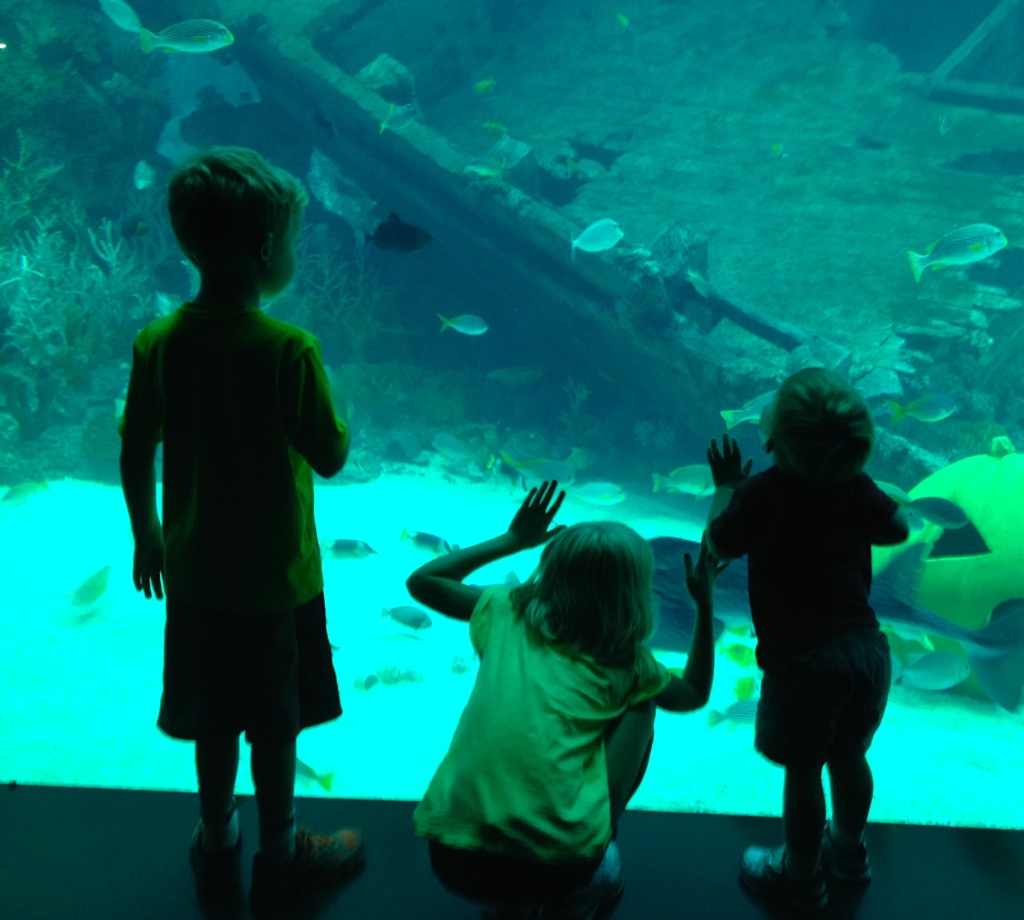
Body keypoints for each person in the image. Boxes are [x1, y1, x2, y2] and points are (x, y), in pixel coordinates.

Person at [119, 147, 365, 912]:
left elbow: (134, 448)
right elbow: (329, 457)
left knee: (214, 716)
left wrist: (147, 534)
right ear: (267, 249)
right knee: (274, 721)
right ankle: (283, 850)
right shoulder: (290, 350)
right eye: (291, 240)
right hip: (275, 581)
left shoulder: (160, 341)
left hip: (193, 576)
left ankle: (217, 836)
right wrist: (338, 406)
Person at [406, 480, 723, 920]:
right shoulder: (632, 664)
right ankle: (590, 867)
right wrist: (704, 607)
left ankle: (508, 904)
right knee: (644, 699)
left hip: (453, 858)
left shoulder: (505, 611)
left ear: (549, 571)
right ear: (634, 595)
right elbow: (692, 694)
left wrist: (513, 539)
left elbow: (424, 581)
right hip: (562, 868)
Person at [704, 367, 910, 912]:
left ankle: (797, 873)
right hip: (866, 650)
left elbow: (717, 546)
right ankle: (847, 851)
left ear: (772, 438)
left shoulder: (761, 493)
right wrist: (851, 487)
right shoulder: (855, 486)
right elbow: (897, 530)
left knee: (804, 769)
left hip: (805, 662)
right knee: (848, 756)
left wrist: (726, 486)